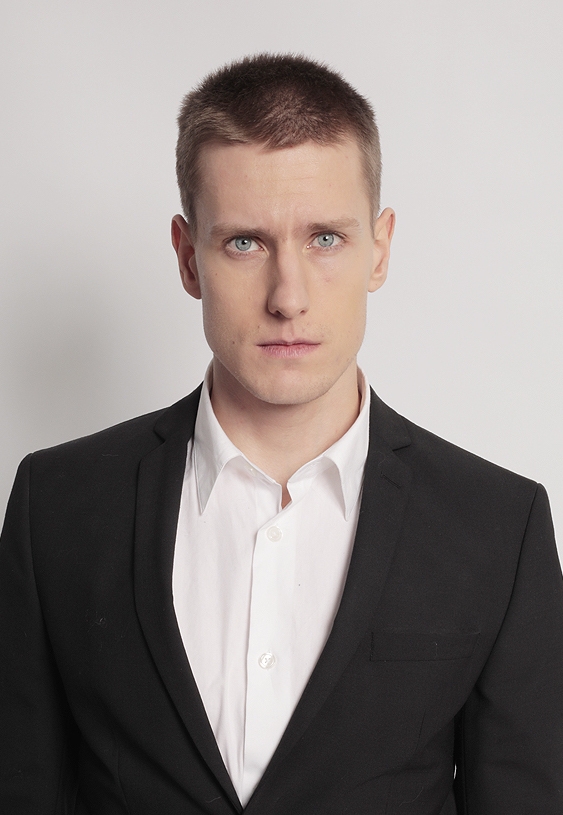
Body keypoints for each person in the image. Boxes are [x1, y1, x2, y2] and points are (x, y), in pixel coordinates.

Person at [0, 53, 562, 815]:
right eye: (245, 242)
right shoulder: (57, 504)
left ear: (379, 249)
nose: (287, 297)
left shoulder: (498, 525)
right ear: (187, 257)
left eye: (324, 238)